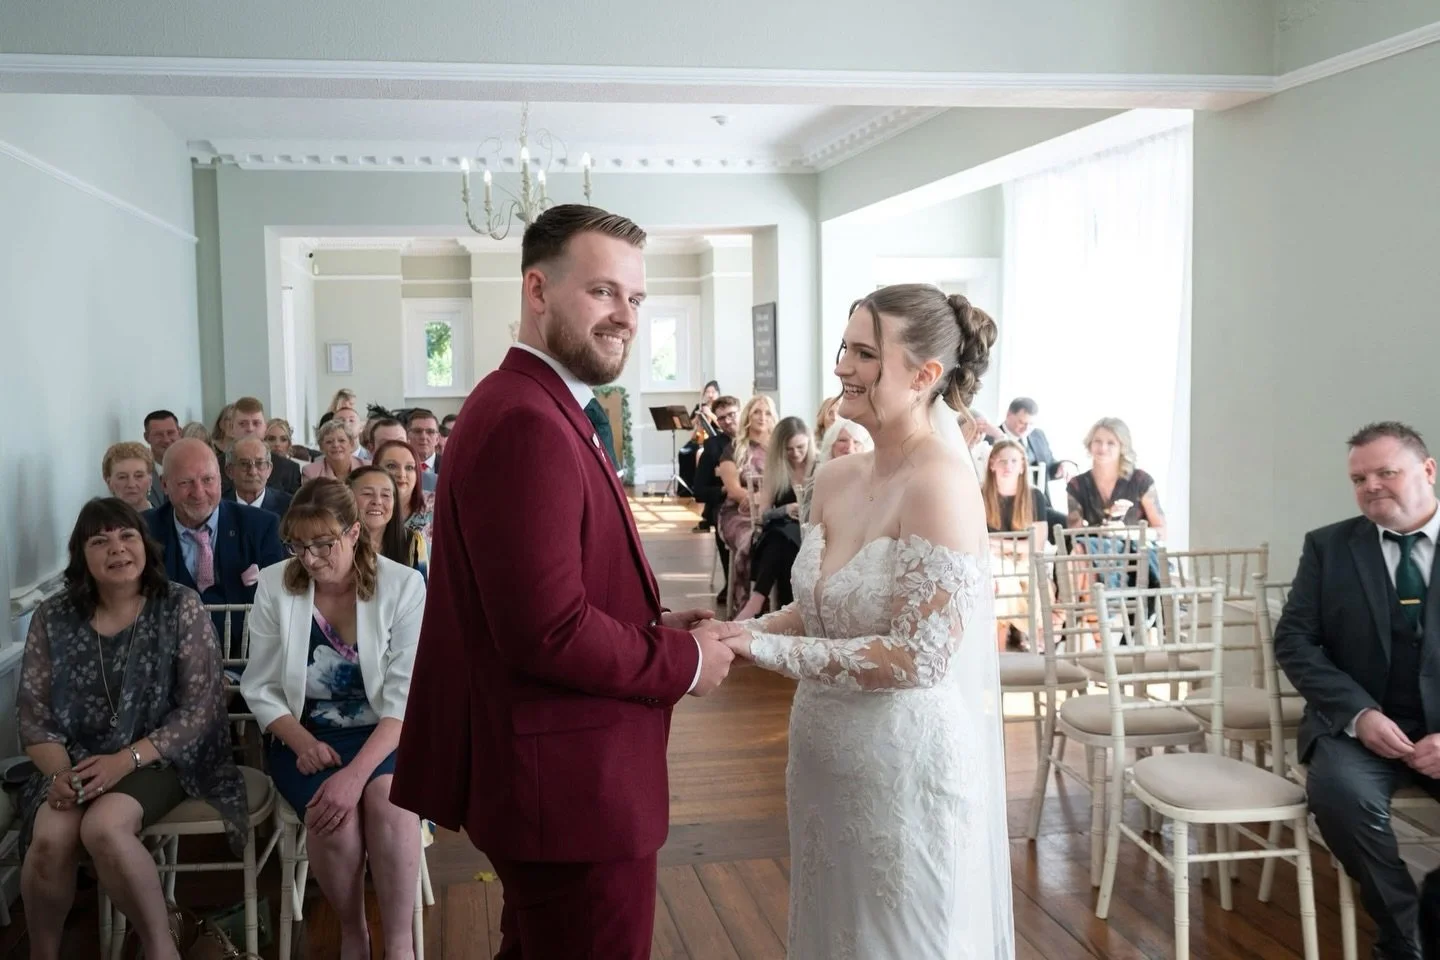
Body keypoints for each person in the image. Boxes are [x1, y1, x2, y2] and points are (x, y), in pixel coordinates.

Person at [391, 204, 741, 959]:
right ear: (537, 290)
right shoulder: (525, 418)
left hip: (564, 781)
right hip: (570, 792)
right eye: (603, 292)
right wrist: (682, 665)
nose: (625, 316)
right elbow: (544, 630)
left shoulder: (539, 404)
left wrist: (654, 626)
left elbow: (552, 591)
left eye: (637, 298)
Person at [722, 285, 1014, 958]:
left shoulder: (940, 484)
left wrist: (766, 657)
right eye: (844, 349)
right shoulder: (834, 476)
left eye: (864, 353)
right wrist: (740, 634)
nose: (842, 368)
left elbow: (920, 658)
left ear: (925, 376)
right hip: (821, 758)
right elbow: (818, 611)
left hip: (903, 767)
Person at [18, 498, 247, 960]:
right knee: (50, 838)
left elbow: (200, 711)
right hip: (77, 759)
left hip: (163, 755)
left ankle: (163, 949)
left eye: (127, 536)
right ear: (81, 554)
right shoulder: (53, 616)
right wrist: (60, 773)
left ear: (146, 545)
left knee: (104, 827)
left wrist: (126, 760)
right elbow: (34, 716)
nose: (117, 549)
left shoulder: (180, 605)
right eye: (99, 540)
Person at [1275, 421, 1440, 960]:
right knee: (1341, 799)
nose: (1371, 485)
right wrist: (1358, 713)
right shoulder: (1328, 546)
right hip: (1356, 731)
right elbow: (1295, 641)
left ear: (1428, 470)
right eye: (1359, 477)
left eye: (1386, 472)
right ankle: (1405, 936)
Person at [242, 479, 425, 960]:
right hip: (308, 736)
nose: (310, 559)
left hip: (387, 735)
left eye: (324, 544)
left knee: (389, 800)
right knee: (334, 818)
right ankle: (353, 932)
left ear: (354, 532)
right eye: (298, 546)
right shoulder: (275, 585)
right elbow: (258, 686)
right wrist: (300, 742)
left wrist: (355, 776)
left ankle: (400, 944)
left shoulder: (402, 586)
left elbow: (406, 699)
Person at [143, 439, 286, 648]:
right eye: (185, 483)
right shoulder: (143, 529)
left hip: (243, 661)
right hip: (166, 660)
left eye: (208, 480)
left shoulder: (261, 525)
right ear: (164, 484)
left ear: (220, 479)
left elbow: (278, 605)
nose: (198, 492)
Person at [735, 416, 812, 620]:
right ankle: (787, 613)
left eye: (800, 447)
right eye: (789, 449)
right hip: (781, 532)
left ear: (809, 443)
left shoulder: (820, 466)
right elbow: (763, 516)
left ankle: (757, 601)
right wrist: (786, 510)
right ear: (780, 449)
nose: (796, 454)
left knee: (782, 537)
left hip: (810, 531)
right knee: (782, 536)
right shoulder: (776, 470)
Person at [716, 395, 777, 611]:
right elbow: (733, 490)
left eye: (767, 412)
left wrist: (766, 502)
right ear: (748, 417)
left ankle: (780, 607)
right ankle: (745, 608)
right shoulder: (734, 449)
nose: (762, 417)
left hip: (774, 511)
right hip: (738, 513)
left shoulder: (780, 449)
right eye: (757, 412)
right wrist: (755, 501)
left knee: (784, 539)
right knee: (751, 539)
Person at [1065, 417, 1166, 538]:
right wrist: (1101, 530)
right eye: (1097, 441)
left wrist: (1126, 533)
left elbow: (1162, 530)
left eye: (1111, 443)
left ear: (1122, 447)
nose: (1103, 448)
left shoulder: (1141, 480)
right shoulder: (1076, 485)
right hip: (1094, 552)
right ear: (1090, 444)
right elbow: (1074, 534)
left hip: (1137, 552)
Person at [348, 465, 428, 580]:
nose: (377, 501)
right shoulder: (338, 542)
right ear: (348, 498)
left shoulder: (412, 542)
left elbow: (424, 591)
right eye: (367, 494)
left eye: (385, 495)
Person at [983, 438, 1065, 541]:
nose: (1008, 466)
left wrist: (997, 545)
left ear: (1022, 467)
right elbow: (978, 544)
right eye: (1002, 461)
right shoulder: (979, 495)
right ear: (992, 464)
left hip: (1025, 557)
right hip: (990, 557)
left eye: (1014, 461)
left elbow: (1037, 547)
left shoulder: (1035, 496)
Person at [798, 416, 870, 524]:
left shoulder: (873, 482)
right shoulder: (819, 481)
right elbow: (809, 525)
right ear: (831, 445)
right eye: (842, 440)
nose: (849, 447)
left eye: (856, 442)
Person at [691, 394, 739, 537]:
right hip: (725, 505)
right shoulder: (713, 447)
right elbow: (698, 491)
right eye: (722, 418)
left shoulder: (756, 439)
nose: (728, 421)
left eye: (732, 414)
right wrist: (725, 488)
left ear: (741, 413)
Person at [373, 440, 434, 544]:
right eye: (391, 466)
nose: (401, 474)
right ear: (375, 469)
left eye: (409, 467)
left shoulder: (436, 505)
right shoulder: (361, 504)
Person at [222, 435, 294, 518]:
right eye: (244, 464)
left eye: (259, 463)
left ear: (269, 470)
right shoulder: (218, 507)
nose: (252, 472)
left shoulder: (290, 507)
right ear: (229, 471)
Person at [142, 410, 182, 508]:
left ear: (179, 432)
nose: (166, 440)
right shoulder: (140, 474)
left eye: (170, 433)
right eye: (158, 435)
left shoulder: (194, 468)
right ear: (146, 437)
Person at [102, 442, 156, 513]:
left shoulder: (168, 521)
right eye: (122, 477)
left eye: (139, 476)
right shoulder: (96, 522)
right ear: (109, 483)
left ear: (150, 481)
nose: (131, 484)